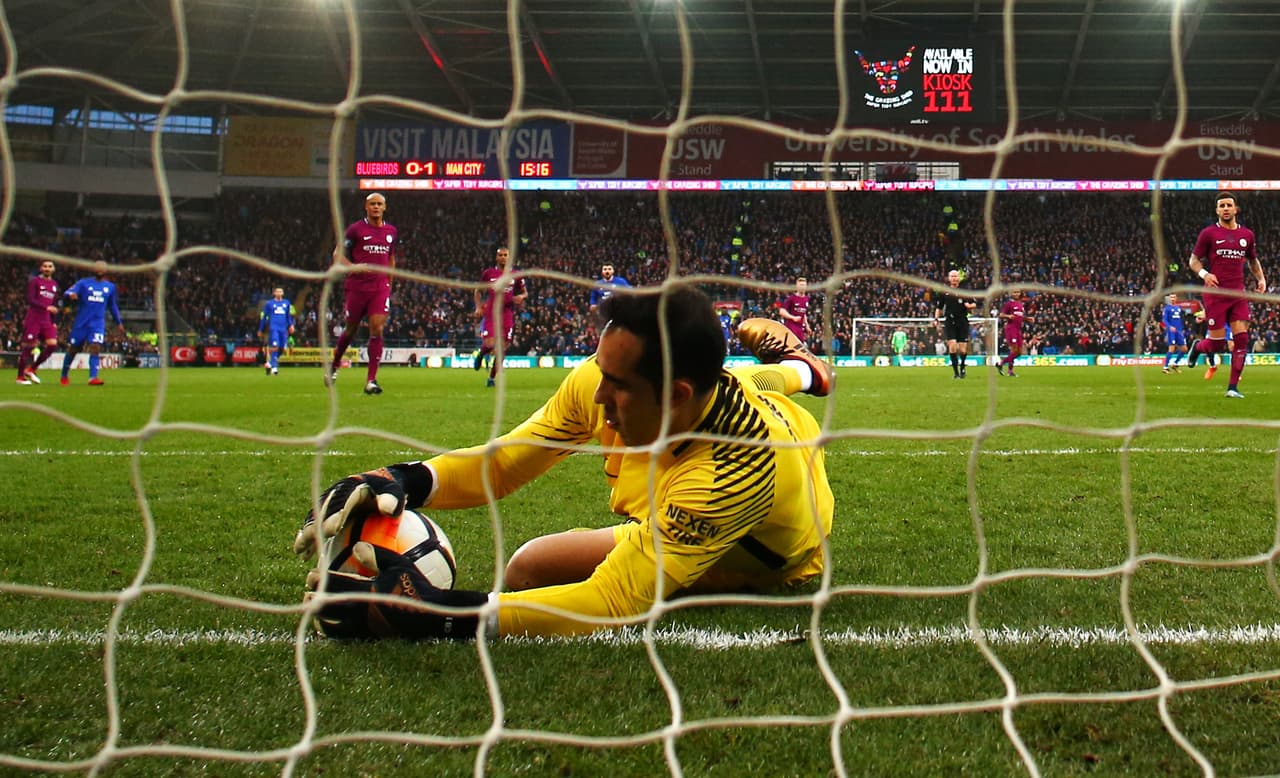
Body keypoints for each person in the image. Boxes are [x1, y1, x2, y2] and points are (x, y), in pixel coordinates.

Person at [295, 288, 835, 641]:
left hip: (760, 551)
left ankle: (801, 366)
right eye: (600, 369)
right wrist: (405, 478)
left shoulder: (730, 476)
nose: (597, 395)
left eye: (617, 385)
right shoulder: (612, 385)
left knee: (533, 573)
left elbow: (611, 599)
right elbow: (508, 460)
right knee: (772, 378)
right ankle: (805, 367)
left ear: (674, 396)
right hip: (752, 399)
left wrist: (440, 614)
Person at [1185, 191, 1267, 398]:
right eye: (1221, 206)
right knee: (1217, 344)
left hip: (1237, 293)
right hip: (1215, 294)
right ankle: (1198, 347)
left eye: (1229, 205)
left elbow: (1252, 261)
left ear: (1235, 208)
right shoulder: (1209, 234)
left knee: (1242, 339)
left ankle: (1232, 388)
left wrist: (1261, 278)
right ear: (1217, 210)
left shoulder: (1247, 235)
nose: (1225, 209)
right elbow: (1193, 261)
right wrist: (1205, 274)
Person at [330, 192, 397, 395]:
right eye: (372, 204)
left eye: (380, 204)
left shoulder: (391, 231)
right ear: (366, 207)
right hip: (357, 287)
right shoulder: (355, 230)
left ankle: (371, 380)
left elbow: (391, 257)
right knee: (350, 330)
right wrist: (352, 267)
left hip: (379, 287)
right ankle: (334, 364)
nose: (376, 207)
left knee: (377, 328)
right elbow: (337, 255)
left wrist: (389, 283)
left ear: (385, 207)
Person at [59, 260, 124, 386]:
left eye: (102, 268)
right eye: (97, 267)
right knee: (74, 349)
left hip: (97, 323)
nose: (99, 270)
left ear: (106, 271)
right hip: (81, 323)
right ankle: (64, 375)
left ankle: (93, 377)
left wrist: (118, 322)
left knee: (95, 347)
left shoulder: (110, 287)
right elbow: (67, 293)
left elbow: (112, 306)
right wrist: (71, 295)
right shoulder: (83, 283)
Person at [474, 247, 528, 388]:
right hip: (492, 313)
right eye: (500, 255)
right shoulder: (489, 273)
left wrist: (520, 297)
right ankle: (481, 353)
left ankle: (491, 378)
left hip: (507, 314)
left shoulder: (515, 275)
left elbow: (525, 292)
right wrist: (478, 307)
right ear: (496, 258)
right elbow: (478, 290)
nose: (503, 257)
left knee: (502, 349)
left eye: (506, 255)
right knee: (491, 344)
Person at [16, 259, 60, 385]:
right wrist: (46, 308)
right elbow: (31, 299)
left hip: (46, 320)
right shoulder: (35, 281)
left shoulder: (54, 284)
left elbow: (53, 304)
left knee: (52, 345)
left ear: (53, 269)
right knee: (28, 347)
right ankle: (20, 377)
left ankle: (32, 369)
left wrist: (53, 321)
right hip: (34, 319)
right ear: (41, 268)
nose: (47, 268)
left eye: (50, 266)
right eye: (45, 266)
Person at [934, 269, 976, 379]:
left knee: (963, 349)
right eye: (952, 276)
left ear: (959, 278)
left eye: (956, 276)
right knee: (952, 347)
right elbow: (939, 307)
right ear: (949, 278)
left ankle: (962, 367)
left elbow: (974, 304)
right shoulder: (945, 291)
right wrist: (936, 319)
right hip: (950, 321)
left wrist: (970, 307)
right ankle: (956, 372)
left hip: (962, 321)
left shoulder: (965, 291)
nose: (954, 278)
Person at [259, 287, 296, 376]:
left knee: (283, 348)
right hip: (274, 328)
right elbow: (264, 317)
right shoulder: (269, 304)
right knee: (275, 346)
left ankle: (269, 363)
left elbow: (288, 316)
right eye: (278, 291)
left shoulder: (286, 303)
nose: (279, 293)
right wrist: (261, 329)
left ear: (283, 293)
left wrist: (291, 325)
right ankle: (274, 368)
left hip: (283, 329)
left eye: (281, 291)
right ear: (274, 293)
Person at [996, 290, 1033, 377]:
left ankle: (1002, 364)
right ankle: (1008, 369)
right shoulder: (1009, 304)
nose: (1016, 294)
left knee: (1019, 352)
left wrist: (1027, 319)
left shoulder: (1020, 304)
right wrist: (1008, 316)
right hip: (1011, 328)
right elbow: (1001, 314)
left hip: (1018, 330)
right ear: (1011, 294)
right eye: (1014, 292)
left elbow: (1019, 316)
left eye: (1018, 292)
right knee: (1014, 350)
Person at [1160, 293, 1187, 374]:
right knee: (1171, 348)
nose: (1172, 299)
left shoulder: (1178, 308)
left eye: (1174, 297)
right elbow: (1164, 320)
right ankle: (1165, 367)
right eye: (1171, 297)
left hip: (1179, 331)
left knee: (1184, 349)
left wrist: (1182, 329)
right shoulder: (1167, 308)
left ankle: (1175, 364)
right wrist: (1170, 327)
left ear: (1176, 298)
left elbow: (1180, 319)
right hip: (1171, 331)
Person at [778, 277, 810, 341]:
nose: (802, 287)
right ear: (797, 286)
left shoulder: (807, 298)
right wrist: (792, 317)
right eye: (801, 285)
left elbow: (803, 313)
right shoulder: (792, 298)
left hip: (800, 328)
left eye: (804, 285)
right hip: (791, 327)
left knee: (800, 347)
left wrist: (807, 325)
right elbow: (781, 311)